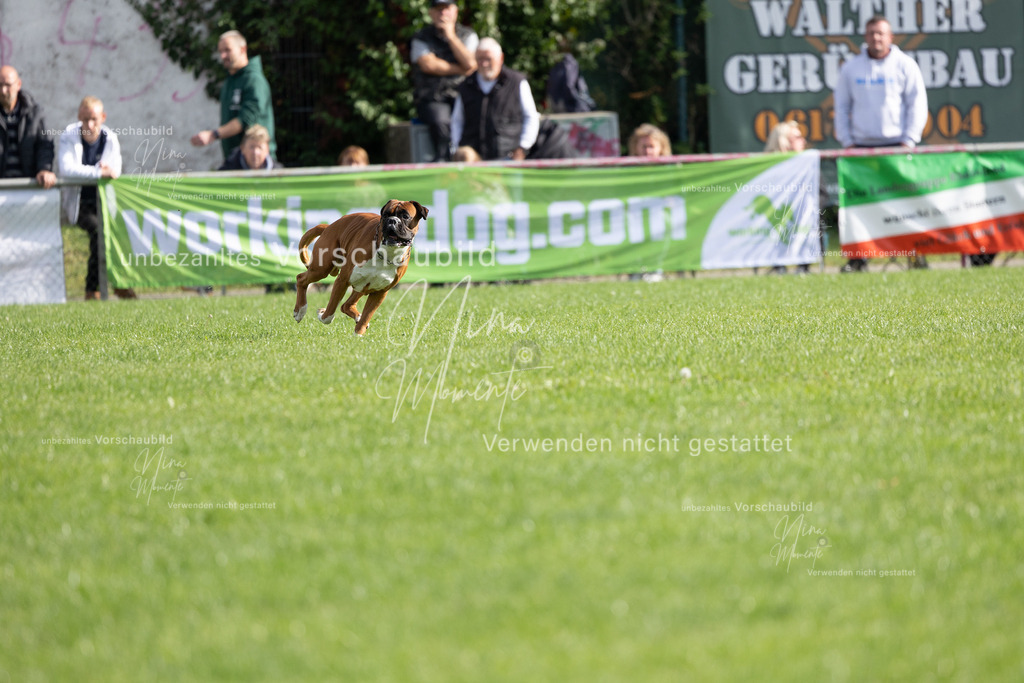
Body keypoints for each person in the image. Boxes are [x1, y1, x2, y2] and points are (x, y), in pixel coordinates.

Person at [834, 15, 928, 273]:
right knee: (860, 205)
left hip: (898, 145)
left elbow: (917, 104)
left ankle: (915, 254)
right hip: (861, 148)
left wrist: (909, 139)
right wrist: (848, 142)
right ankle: (858, 259)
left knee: (906, 203)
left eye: (881, 33)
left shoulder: (905, 65)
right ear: (865, 37)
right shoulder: (851, 69)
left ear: (890, 37)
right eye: (871, 33)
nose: (876, 38)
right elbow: (841, 107)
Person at [58, 96, 135, 300]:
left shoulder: (110, 138)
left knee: (119, 234)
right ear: (79, 117)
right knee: (97, 232)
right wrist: (98, 172)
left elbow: (115, 170)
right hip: (81, 203)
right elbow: (67, 170)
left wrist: (100, 172)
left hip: (104, 202)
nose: (89, 125)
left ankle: (119, 282)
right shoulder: (68, 136)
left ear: (103, 117)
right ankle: (93, 289)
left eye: (94, 119)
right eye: (85, 120)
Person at [191, 30, 277, 162]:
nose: (223, 56)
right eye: (220, 51)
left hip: (256, 162)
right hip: (234, 160)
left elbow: (245, 120)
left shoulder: (254, 80)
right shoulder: (229, 81)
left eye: (227, 50)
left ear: (243, 49)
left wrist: (214, 134)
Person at [450, 38, 540, 161]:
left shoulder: (516, 82)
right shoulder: (466, 85)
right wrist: (457, 147)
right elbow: (457, 121)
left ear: (500, 58)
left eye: (488, 59)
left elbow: (531, 117)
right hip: (474, 159)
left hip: (508, 156)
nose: (484, 64)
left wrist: (523, 147)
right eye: (480, 59)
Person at [410, 0, 479, 162]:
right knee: (442, 123)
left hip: (464, 95)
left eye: (446, 9)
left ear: (455, 11)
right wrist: (461, 68)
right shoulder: (421, 37)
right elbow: (428, 65)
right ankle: (444, 162)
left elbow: (471, 63)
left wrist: (451, 37)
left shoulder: (468, 35)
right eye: (438, 9)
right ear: (431, 13)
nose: (442, 13)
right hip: (432, 97)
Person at [764, 121, 812, 274]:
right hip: (777, 217)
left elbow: (821, 194)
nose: (803, 141)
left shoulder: (809, 164)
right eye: (797, 137)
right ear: (783, 141)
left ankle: (803, 267)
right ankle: (778, 266)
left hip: (804, 217)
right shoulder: (767, 169)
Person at [0, 66, 56, 188]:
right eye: (0, 85)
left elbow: (45, 144)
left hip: (29, 188)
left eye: (8, 85)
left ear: (18, 85)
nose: (3, 90)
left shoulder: (35, 113)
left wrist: (44, 169)